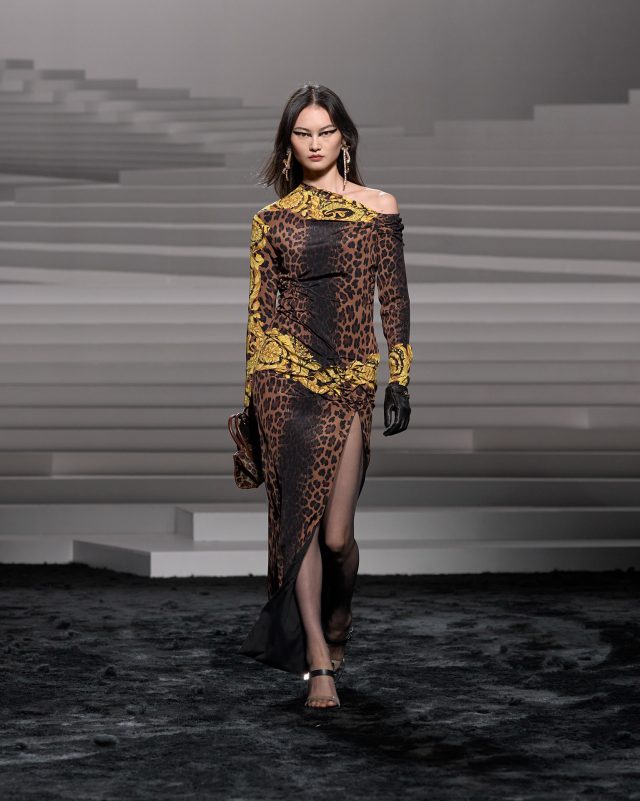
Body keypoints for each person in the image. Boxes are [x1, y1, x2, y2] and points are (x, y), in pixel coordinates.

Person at [238, 84, 413, 709]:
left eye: (325, 132)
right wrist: (254, 404)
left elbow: (393, 296)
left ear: (345, 137)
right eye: (302, 133)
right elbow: (259, 315)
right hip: (283, 379)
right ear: (287, 143)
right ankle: (318, 660)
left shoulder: (377, 207)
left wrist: (401, 376)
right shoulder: (270, 221)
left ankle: (339, 618)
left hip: (349, 377)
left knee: (337, 536)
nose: (315, 144)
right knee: (302, 525)